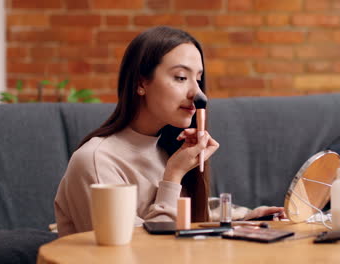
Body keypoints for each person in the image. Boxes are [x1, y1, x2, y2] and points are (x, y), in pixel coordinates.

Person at [54, 26, 284, 237]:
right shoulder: (95, 161)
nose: (197, 93)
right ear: (141, 83)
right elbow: (140, 251)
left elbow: (187, 212)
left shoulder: (166, 147)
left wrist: (244, 218)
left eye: (198, 79)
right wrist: (173, 175)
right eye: (181, 78)